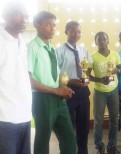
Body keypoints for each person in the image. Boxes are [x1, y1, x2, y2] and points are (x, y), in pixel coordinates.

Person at [27, 11, 76, 154]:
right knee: (43, 141)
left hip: (59, 99)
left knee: (69, 139)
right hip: (42, 99)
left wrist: (63, 88)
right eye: (48, 25)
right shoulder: (32, 48)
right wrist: (56, 90)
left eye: (54, 25)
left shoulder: (52, 48)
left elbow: (53, 75)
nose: (53, 28)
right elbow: (28, 80)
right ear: (37, 25)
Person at [56, 21, 92, 154]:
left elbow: (87, 70)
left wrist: (86, 81)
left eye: (78, 31)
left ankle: (83, 152)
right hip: (68, 92)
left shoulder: (84, 50)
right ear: (66, 32)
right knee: (67, 127)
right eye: (72, 31)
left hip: (83, 92)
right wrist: (71, 82)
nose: (76, 34)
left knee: (84, 127)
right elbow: (55, 74)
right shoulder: (59, 51)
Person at [0, 1, 32, 154]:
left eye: (26, 17)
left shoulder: (22, 43)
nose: (24, 20)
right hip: (4, 117)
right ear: (4, 15)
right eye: (19, 15)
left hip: (24, 114)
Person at [87, 31, 121, 154]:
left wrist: (114, 70)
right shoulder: (92, 57)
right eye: (99, 39)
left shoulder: (115, 54)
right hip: (99, 92)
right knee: (98, 120)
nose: (102, 41)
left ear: (108, 41)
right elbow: (88, 76)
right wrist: (99, 79)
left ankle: (112, 146)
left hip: (113, 91)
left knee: (114, 119)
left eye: (104, 39)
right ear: (95, 42)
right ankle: (99, 147)